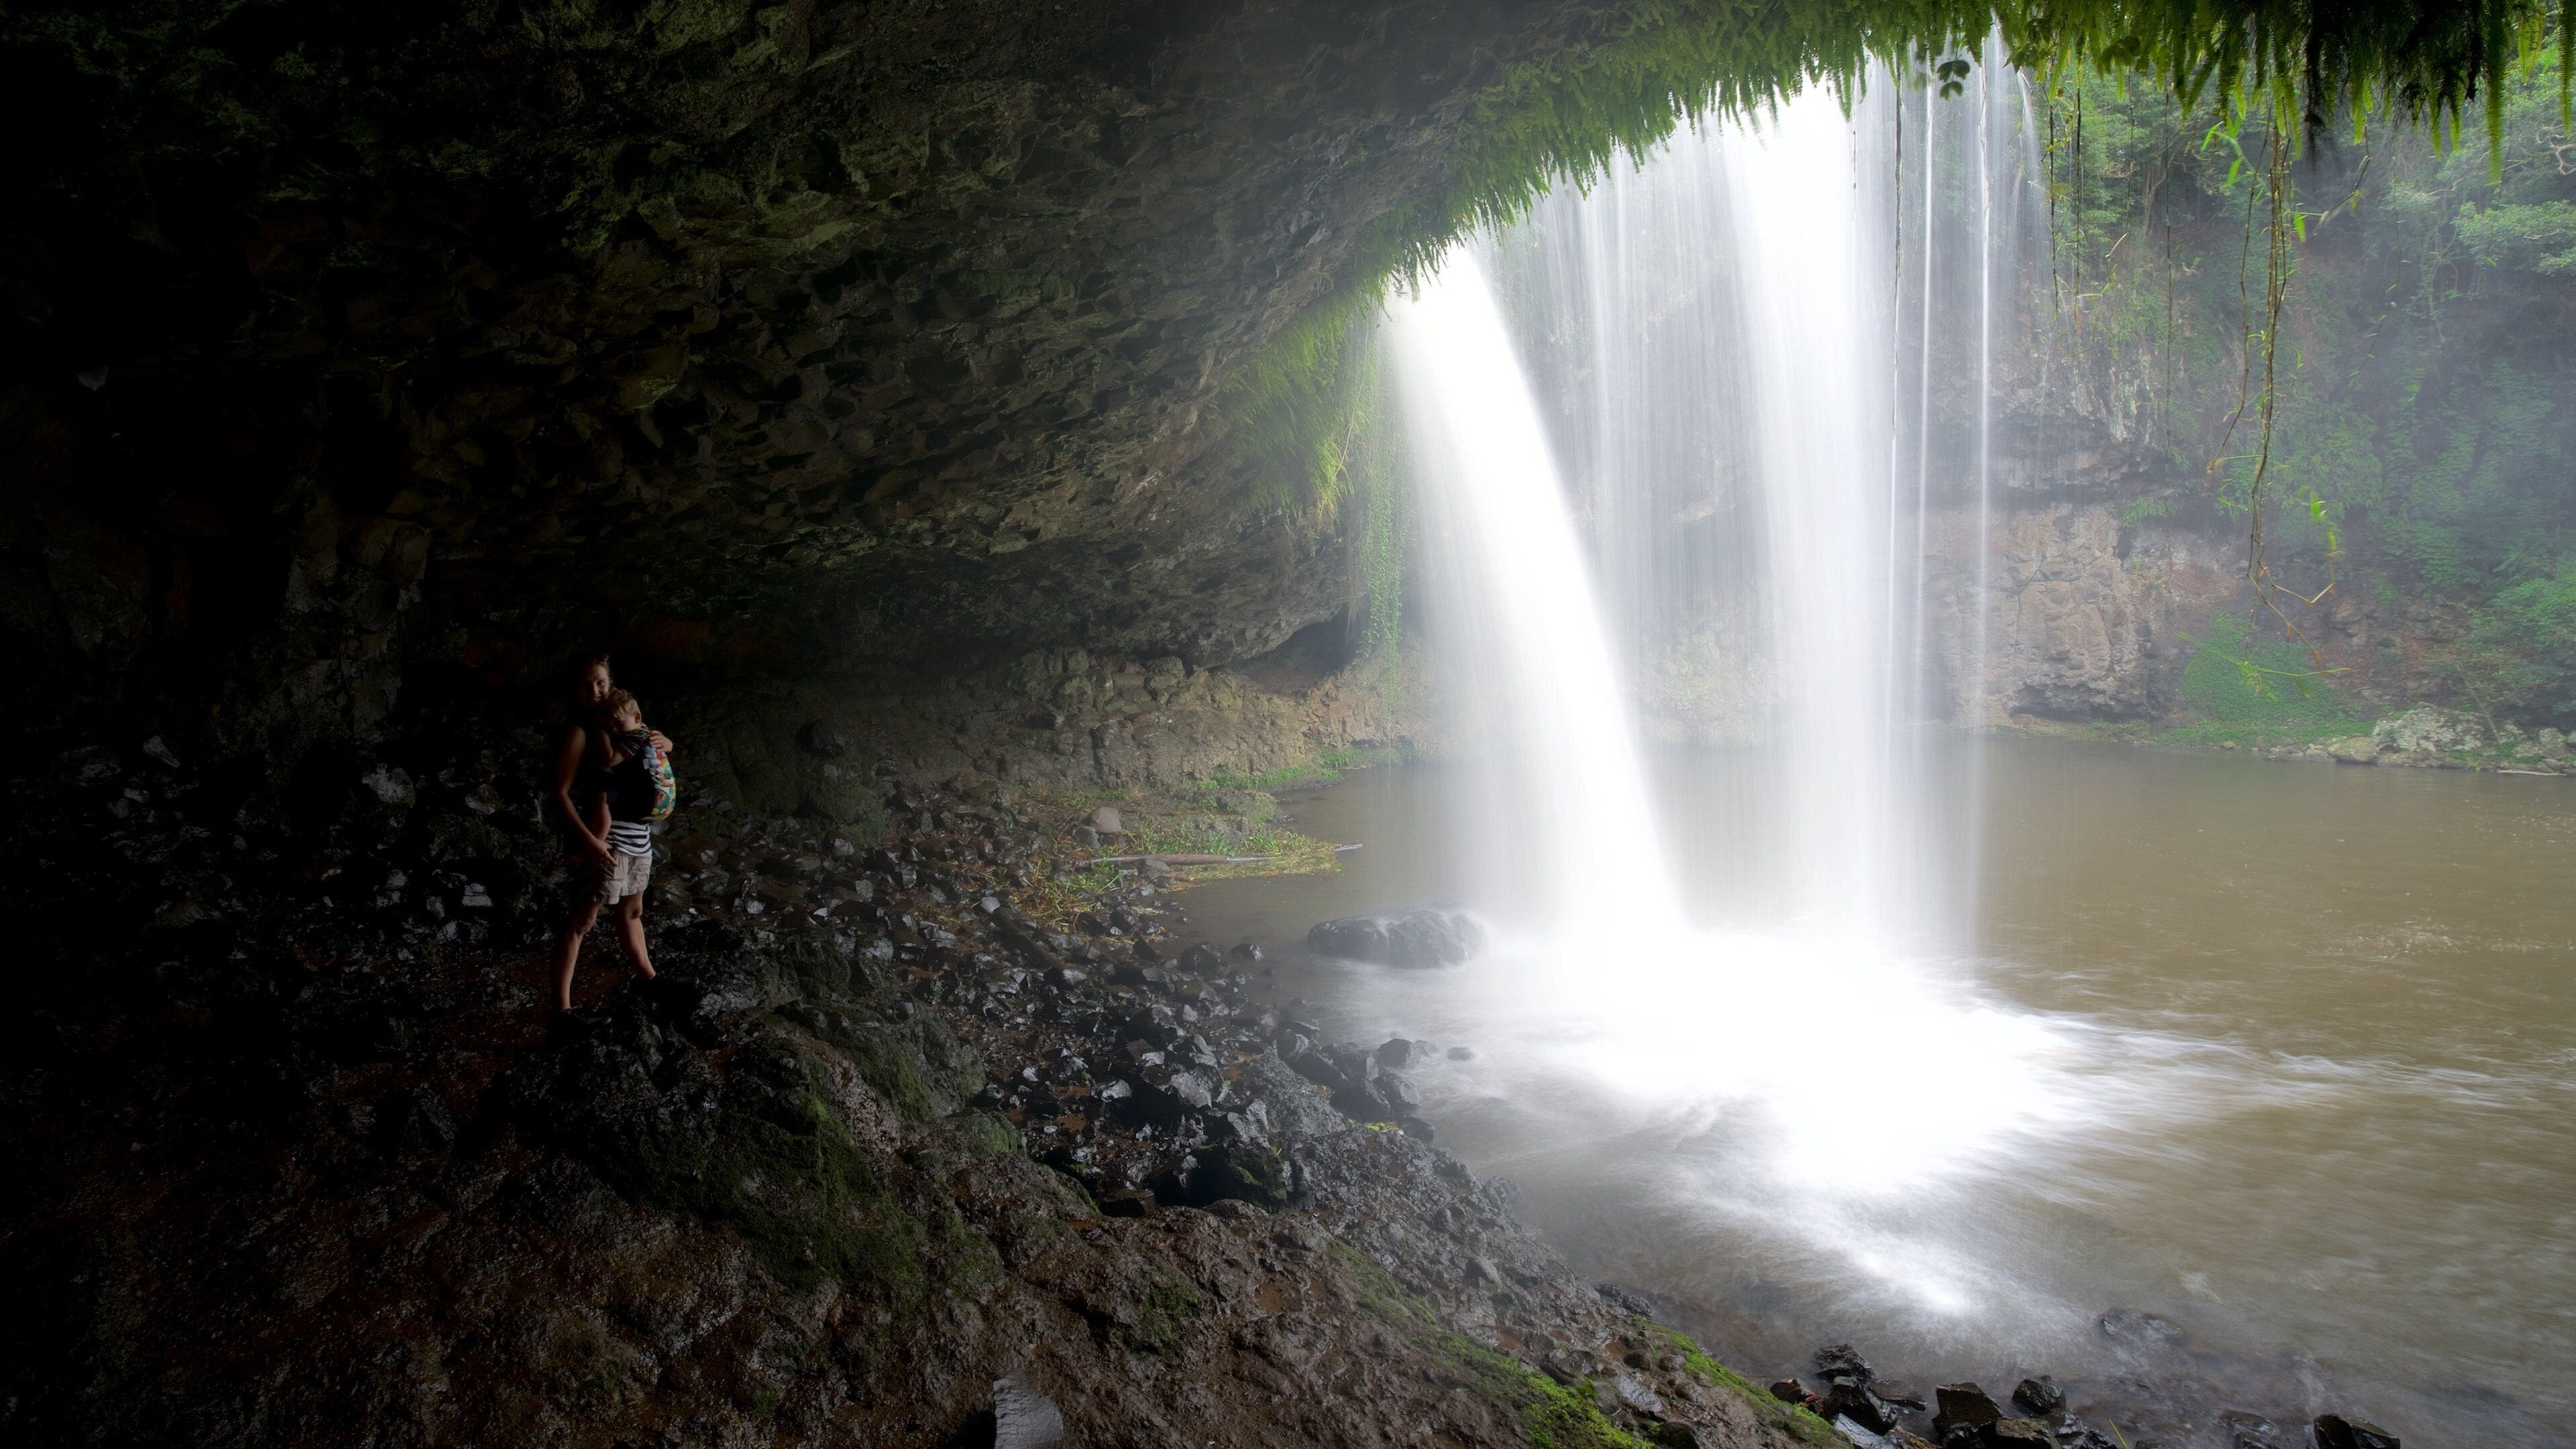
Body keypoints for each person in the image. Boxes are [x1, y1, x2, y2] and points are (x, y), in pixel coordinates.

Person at [545, 655, 670, 1019]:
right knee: (580, 923)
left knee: (632, 913)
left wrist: (667, 742)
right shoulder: (582, 732)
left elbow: (649, 754)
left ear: (611, 681)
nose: (595, 691)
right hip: (605, 841)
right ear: (574, 690)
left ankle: (651, 983)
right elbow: (561, 794)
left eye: (600, 682)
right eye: (586, 685)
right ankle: (562, 1012)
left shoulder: (622, 724)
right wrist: (588, 842)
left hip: (637, 838)